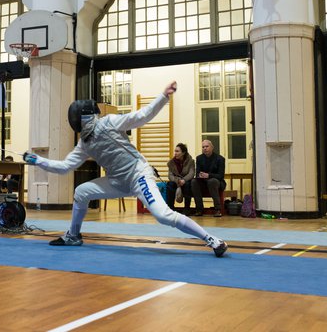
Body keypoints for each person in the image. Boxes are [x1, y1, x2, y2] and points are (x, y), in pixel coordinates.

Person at [23, 82, 228, 257]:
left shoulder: (109, 122)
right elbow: (65, 167)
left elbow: (142, 116)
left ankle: (212, 239)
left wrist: (163, 97)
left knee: (163, 215)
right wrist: (38, 160)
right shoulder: (84, 144)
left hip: (139, 175)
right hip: (117, 181)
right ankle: (73, 235)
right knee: (81, 192)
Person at [192, 139, 226, 217]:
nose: (205, 148)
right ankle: (199, 209)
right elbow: (197, 173)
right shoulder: (199, 158)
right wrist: (199, 175)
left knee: (212, 181)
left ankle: (217, 209)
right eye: (203, 147)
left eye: (207, 146)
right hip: (203, 181)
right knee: (194, 181)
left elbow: (221, 176)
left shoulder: (220, 159)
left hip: (217, 181)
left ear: (212, 147)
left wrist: (208, 175)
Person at [165, 143, 195, 212]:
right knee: (170, 184)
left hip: (186, 181)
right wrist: (177, 181)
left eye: (177, 151)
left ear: (183, 153)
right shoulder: (171, 162)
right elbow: (170, 175)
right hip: (176, 181)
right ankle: (171, 208)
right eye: (175, 151)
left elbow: (191, 173)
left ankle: (187, 209)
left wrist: (184, 180)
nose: (175, 153)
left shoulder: (191, 161)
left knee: (188, 185)